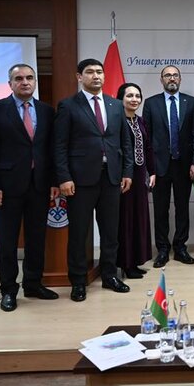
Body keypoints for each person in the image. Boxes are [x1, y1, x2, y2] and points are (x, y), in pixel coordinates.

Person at [0, 63, 59, 312]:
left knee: (37, 239)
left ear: (35, 82)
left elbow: (51, 150)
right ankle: (9, 291)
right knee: (8, 242)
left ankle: (33, 284)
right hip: (7, 188)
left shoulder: (46, 111)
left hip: (39, 186)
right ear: (10, 83)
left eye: (29, 78)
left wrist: (54, 181)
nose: (25, 82)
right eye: (19, 78)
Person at [54, 59, 133, 301]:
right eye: (89, 72)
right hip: (79, 180)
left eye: (99, 72)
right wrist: (64, 177)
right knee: (79, 233)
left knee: (110, 231)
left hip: (111, 178)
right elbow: (59, 145)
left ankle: (109, 275)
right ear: (80, 77)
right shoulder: (68, 105)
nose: (96, 76)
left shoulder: (116, 105)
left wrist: (127, 172)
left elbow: (125, 143)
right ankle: (78, 281)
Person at [142, 65, 194, 268]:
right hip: (160, 167)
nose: (171, 78)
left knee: (183, 208)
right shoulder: (150, 103)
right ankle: (163, 249)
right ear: (162, 80)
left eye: (175, 75)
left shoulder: (191, 103)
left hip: (184, 166)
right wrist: (150, 168)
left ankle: (181, 247)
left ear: (180, 79)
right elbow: (146, 139)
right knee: (161, 209)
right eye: (167, 75)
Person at [116, 83, 155, 279]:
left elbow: (148, 148)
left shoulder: (140, 121)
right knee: (125, 220)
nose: (134, 99)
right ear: (121, 98)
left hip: (140, 177)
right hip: (124, 177)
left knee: (140, 219)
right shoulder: (116, 120)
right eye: (129, 95)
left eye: (137, 96)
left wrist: (152, 171)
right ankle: (125, 263)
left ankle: (136, 261)